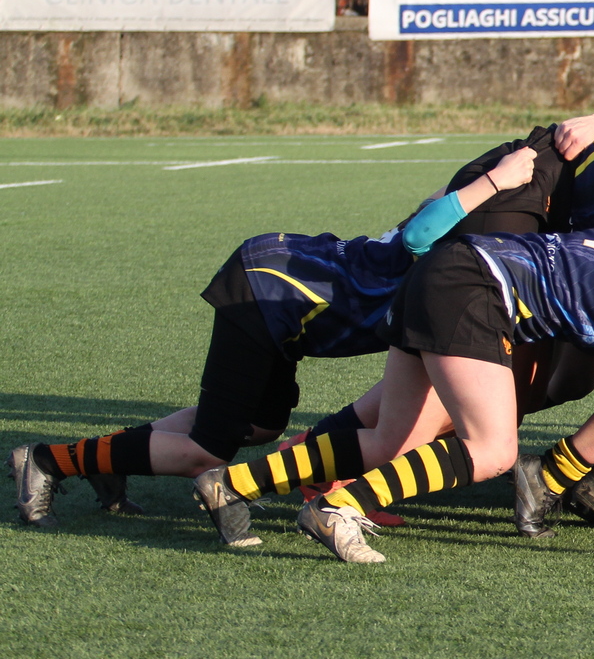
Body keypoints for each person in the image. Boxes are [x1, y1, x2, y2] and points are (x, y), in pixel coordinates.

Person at [191, 114, 594, 563]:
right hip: (472, 289)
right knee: (495, 449)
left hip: (447, 267)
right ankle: (334, 507)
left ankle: (230, 484)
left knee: (390, 437)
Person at [9, 144, 538, 529]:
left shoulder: (451, 258)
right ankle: (49, 460)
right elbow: (425, 226)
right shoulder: (440, 256)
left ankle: (109, 459)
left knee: (257, 424)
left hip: (283, 304)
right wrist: (496, 180)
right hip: (268, 292)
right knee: (204, 453)